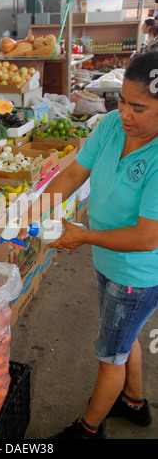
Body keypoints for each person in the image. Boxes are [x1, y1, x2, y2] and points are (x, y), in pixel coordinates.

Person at [15, 51, 158, 439]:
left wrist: (82, 235)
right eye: (123, 101)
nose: (125, 113)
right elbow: (76, 172)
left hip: (137, 275)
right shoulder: (111, 126)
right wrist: (36, 207)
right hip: (109, 261)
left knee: (109, 354)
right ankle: (134, 404)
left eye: (139, 108)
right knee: (123, 337)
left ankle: (88, 429)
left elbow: (147, 238)